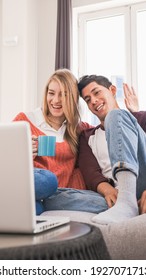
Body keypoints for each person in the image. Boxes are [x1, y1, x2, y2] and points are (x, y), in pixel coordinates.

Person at [13, 69, 108, 215]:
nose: (56, 100)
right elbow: (6, 160)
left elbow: (107, 131)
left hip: (59, 196)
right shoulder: (24, 121)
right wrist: (23, 157)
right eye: (51, 93)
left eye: (63, 95)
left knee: (36, 209)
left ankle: (39, 203)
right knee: (47, 181)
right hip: (35, 182)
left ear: (73, 98)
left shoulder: (80, 130)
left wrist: (131, 113)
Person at [78, 74, 146, 224]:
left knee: (114, 115)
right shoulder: (87, 136)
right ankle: (126, 203)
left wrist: (134, 113)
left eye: (97, 92)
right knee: (55, 197)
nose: (94, 101)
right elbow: (90, 172)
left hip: (142, 182)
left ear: (113, 90)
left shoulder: (140, 118)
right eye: (88, 100)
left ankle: (127, 203)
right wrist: (108, 190)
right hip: (115, 192)